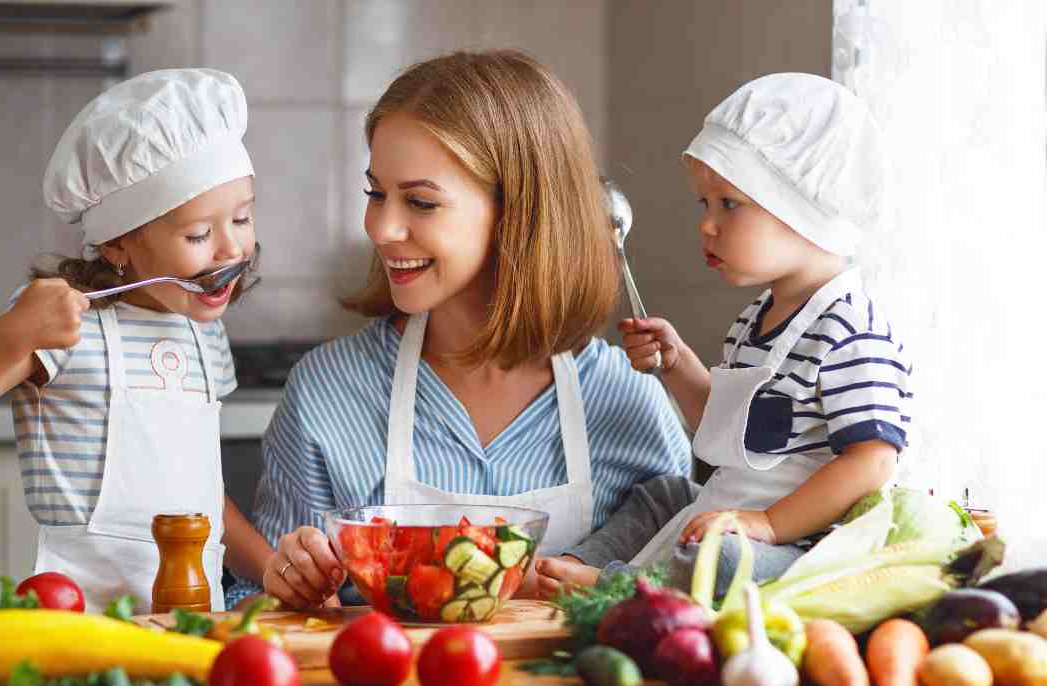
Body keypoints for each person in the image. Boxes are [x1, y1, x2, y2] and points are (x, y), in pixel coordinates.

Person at [226, 50, 693, 610]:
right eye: (376, 193)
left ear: (520, 212)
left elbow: (675, 607)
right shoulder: (328, 393)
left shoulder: (627, 400)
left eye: (420, 201)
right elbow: (260, 611)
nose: (381, 227)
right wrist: (290, 580)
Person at [0, 68, 274, 612]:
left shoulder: (203, 337)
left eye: (242, 218)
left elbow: (198, 494)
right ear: (119, 244)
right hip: (79, 625)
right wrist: (12, 335)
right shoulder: (60, 329)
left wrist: (269, 570)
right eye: (198, 234)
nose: (230, 249)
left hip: (196, 620)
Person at [538, 73, 912, 596]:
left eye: (729, 204)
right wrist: (678, 366)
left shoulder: (851, 328)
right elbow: (733, 438)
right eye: (704, 205)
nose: (706, 225)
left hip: (800, 544)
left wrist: (769, 525)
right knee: (665, 494)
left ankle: (612, 587)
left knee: (724, 558)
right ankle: (571, 566)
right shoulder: (757, 317)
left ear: (801, 210)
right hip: (738, 507)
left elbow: (872, 460)